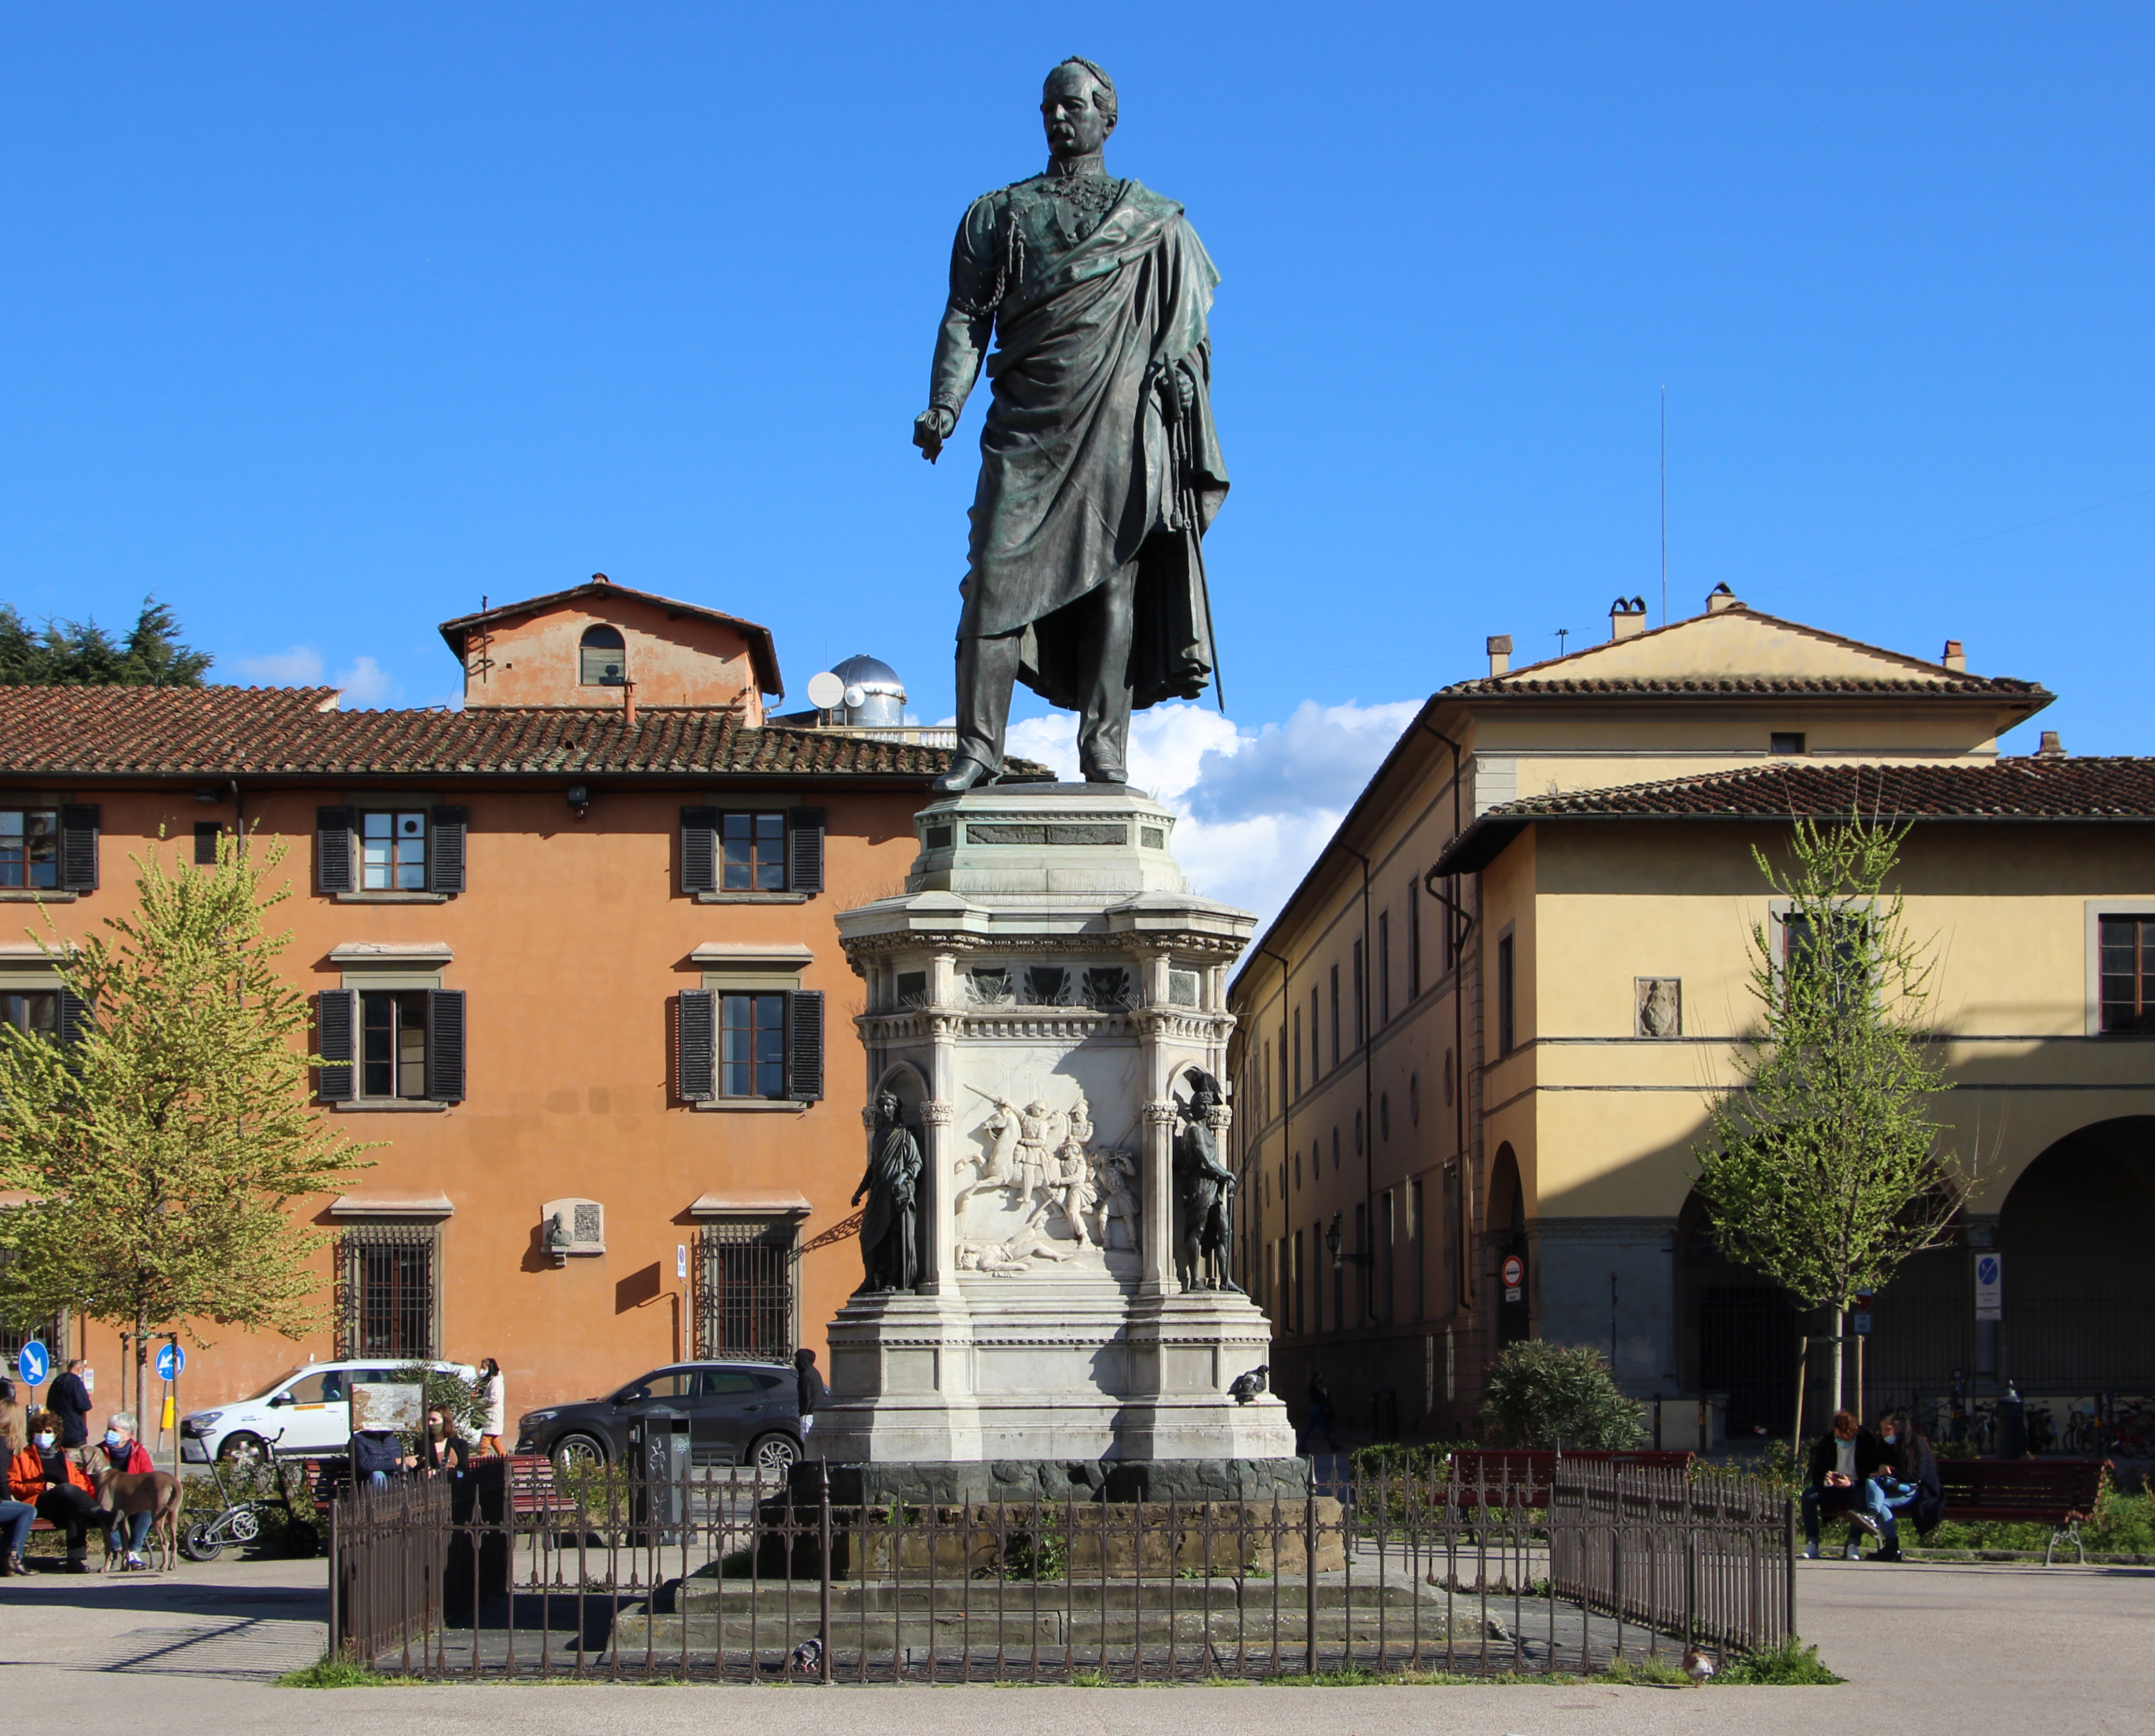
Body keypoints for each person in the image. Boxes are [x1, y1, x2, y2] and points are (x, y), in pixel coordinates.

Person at [913, 58, 1228, 791]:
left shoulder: (1156, 221)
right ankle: (979, 748)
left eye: (1074, 106)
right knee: (991, 582)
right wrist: (945, 403)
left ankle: (1104, 749)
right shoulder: (998, 213)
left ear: (1106, 119)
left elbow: (1189, 332)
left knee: (1111, 589)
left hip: (1119, 417)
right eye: (1049, 107)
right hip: (1025, 426)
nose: (1058, 117)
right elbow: (966, 315)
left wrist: (1183, 377)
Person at [8, 1407, 107, 1572]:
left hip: (64, 1504)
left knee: (74, 1508)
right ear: (32, 1434)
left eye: (48, 1431)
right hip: (38, 1502)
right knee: (64, 1489)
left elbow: (81, 1483)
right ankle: (101, 1514)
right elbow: (13, 1485)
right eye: (39, 1431)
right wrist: (41, 1487)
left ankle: (75, 1560)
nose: (43, 1435)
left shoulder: (65, 1456)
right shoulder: (22, 1456)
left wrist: (72, 1491)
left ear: (56, 1435)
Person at [1802, 1409, 1888, 1559]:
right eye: (1838, 1436)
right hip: (1832, 1489)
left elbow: (1871, 1473)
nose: (1841, 1439)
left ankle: (1853, 1545)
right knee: (1808, 1496)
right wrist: (1827, 1481)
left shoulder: (1866, 1441)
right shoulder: (1828, 1442)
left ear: (1853, 1432)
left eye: (1844, 1436)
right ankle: (1812, 1543)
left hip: (1856, 1487)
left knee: (1862, 1498)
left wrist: (1851, 1484)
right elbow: (1817, 1472)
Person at [98, 1411, 158, 1569]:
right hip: (108, 1499)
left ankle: (133, 1552)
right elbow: (89, 1479)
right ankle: (119, 1549)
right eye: (109, 1429)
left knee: (146, 1508)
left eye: (114, 1430)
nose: (109, 1433)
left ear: (128, 1435)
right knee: (106, 1510)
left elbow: (148, 1478)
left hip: (132, 1498)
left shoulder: (139, 1452)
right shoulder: (100, 1452)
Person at [404, 1408, 470, 1480]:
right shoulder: (422, 1445)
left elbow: (463, 1470)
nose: (430, 1423)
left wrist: (438, 1473)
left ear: (445, 1421)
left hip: (455, 1484)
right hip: (433, 1485)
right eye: (428, 1420)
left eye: (434, 1420)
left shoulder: (460, 1445)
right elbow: (418, 1471)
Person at [47, 1358, 93, 1448]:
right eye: (82, 1370)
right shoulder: (76, 1382)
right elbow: (84, 1405)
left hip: (57, 1430)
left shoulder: (57, 1381)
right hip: (74, 1431)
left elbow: (49, 1405)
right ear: (79, 1369)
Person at [475, 1358, 506, 1458]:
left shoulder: (496, 1381)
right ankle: (505, 1459)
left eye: (484, 1368)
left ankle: (482, 1460)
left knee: (485, 1440)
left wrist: (479, 1402)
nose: (482, 1371)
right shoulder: (492, 1381)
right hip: (490, 1414)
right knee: (494, 1440)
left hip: (492, 1415)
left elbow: (494, 1398)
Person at [1304, 1372, 1339, 1457]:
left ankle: (1301, 1445)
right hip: (1317, 1409)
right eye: (1319, 1377)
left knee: (1309, 1429)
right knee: (1324, 1428)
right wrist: (1325, 1393)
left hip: (1313, 1409)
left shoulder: (1312, 1387)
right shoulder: (1315, 1388)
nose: (1321, 1379)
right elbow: (1321, 1399)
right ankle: (1333, 1445)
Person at [793, 1348, 825, 1438]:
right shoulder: (814, 1372)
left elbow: (806, 1396)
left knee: (807, 1440)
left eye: (797, 1359)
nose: (796, 1362)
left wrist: (803, 1412)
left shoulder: (806, 1375)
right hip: (816, 1412)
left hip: (808, 1414)